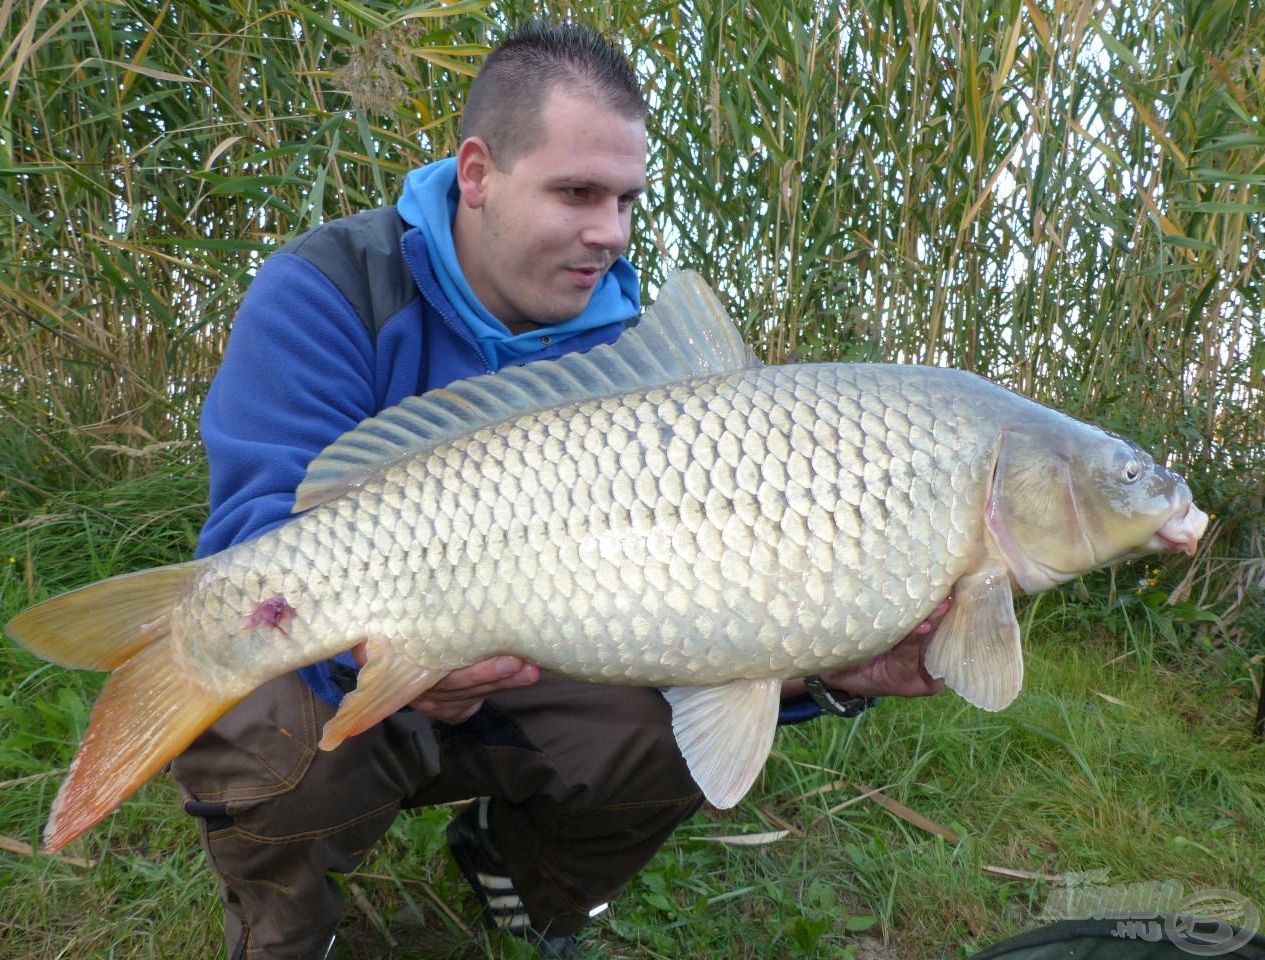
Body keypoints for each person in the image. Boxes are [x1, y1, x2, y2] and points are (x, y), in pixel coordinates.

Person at [172, 20, 948, 960]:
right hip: (364, 659)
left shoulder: (641, 366)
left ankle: (521, 874)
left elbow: (705, 608)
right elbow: (256, 534)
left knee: (661, 738)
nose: (610, 234)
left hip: (540, 671)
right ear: (477, 174)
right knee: (256, 708)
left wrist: (825, 671)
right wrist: (393, 661)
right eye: (577, 193)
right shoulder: (331, 289)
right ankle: (286, 933)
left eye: (627, 200)